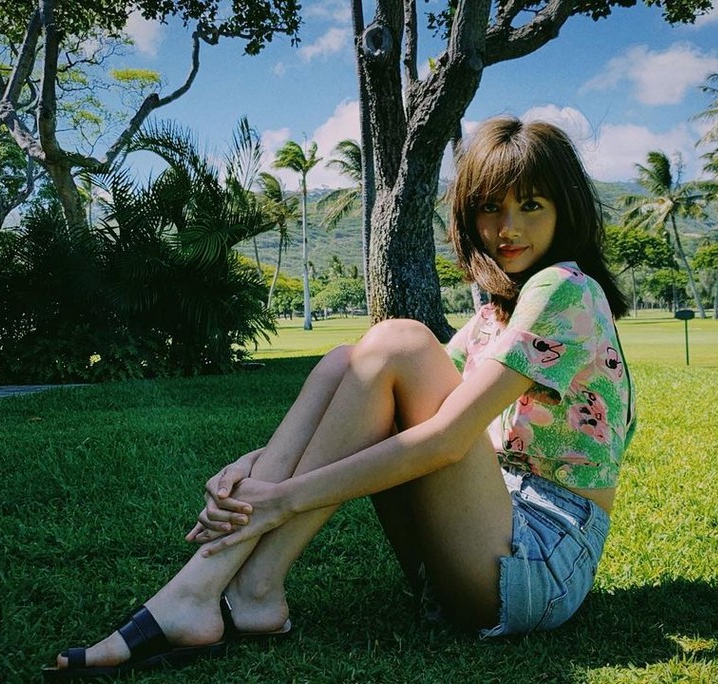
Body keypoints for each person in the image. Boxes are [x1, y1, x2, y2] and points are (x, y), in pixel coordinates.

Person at [43, 116, 635, 680]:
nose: (508, 228)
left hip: (540, 561)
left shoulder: (566, 287)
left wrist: (282, 500)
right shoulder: (491, 320)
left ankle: (201, 590)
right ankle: (251, 592)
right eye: (490, 207)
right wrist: (255, 464)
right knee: (344, 361)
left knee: (401, 342)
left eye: (531, 205)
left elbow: (448, 440)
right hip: (479, 541)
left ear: (566, 209)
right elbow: (370, 402)